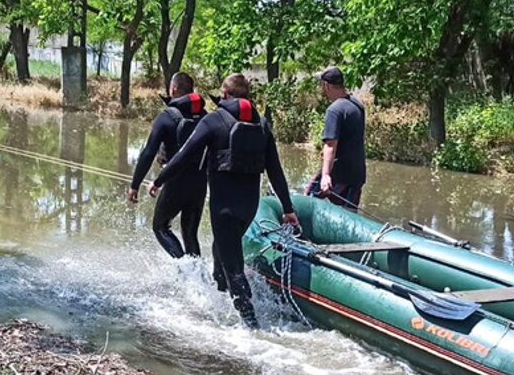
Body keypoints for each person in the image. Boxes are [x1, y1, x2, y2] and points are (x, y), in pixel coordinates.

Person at [150, 73, 299, 328]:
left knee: (233, 268)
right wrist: (287, 208)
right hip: (248, 208)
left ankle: (252, 329)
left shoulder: (214, 120)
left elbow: (184, 155)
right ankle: (217, 306)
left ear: (225, 94)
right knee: (221, 254)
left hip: (224, 209)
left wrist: (159, 179)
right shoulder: (262, 124)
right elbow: (275, 171)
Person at [128, 72, 208, 258]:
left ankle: (185, 271)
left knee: (160, 227)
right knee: (190, 235)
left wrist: (135, 185)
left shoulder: (166, 117)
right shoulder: (206, 117)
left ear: (173, 89)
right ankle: (199, 278)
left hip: (175, 182)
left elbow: (148, 153)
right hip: (200, 183)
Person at [305, 66, 367, 209]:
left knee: (309, 200)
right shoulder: (357, 105)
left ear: (326, 85)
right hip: (357, 174)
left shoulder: (334, 110)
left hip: (338, 175)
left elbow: (330, 145)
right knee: (349, 214)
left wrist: (326, 175)